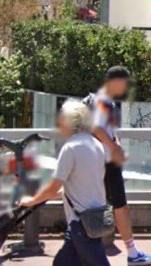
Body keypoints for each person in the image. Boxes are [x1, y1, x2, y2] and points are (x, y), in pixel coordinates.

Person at [19, 99, 109, 266]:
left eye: (61, 119)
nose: (58, 123)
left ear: (70, 122)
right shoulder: (96, 144)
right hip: (95, 216)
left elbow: (54, 186)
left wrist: (30, 201)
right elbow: (87, 181)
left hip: (81, 221)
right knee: (63, 262)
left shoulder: (71, 148)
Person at [85, 66, 151, 265]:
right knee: (120, 206)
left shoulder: (104, 99)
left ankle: (88, 249)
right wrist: (113, 148)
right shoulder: (103, 100)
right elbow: (97, 127)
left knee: (103, 206)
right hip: (106, 162)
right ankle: (132, 253)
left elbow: (106, 129)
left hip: (102, 161)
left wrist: (115, 143)